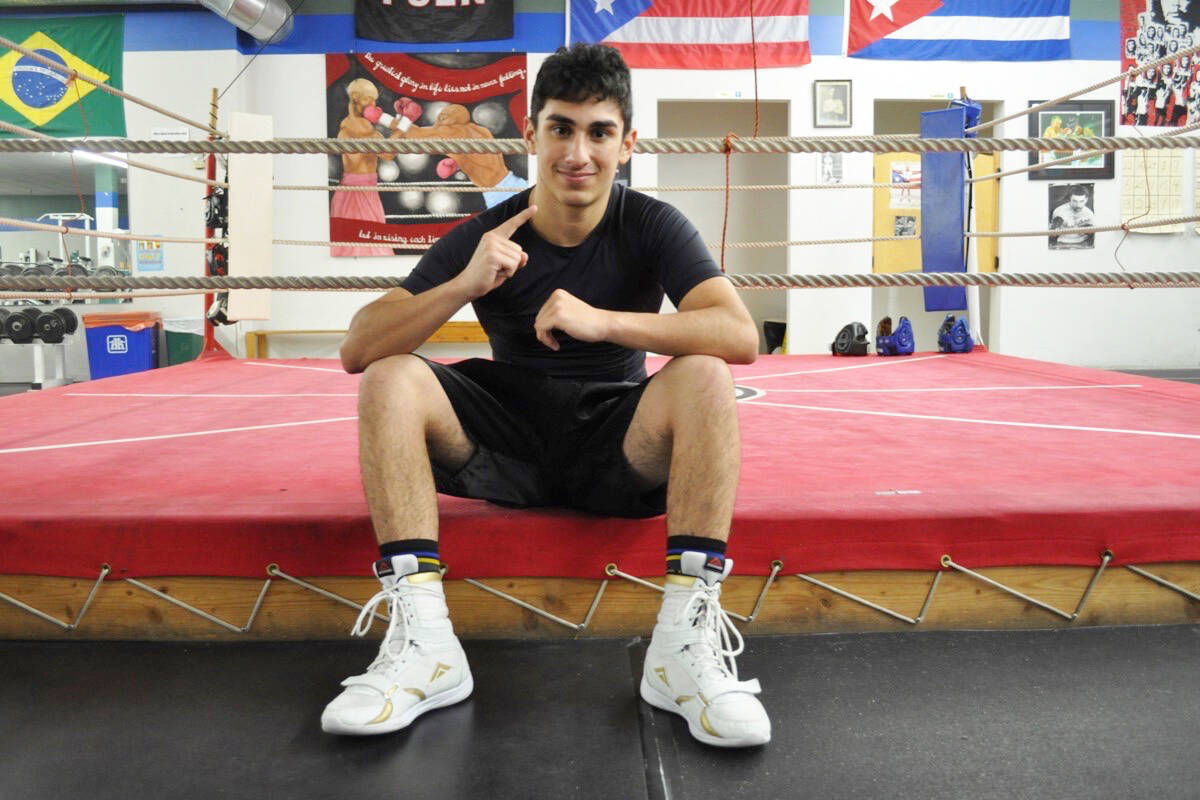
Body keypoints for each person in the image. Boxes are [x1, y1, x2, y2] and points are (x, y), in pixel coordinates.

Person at [323, 44, 770, 748]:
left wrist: (604, 321)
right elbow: (358, 346)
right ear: (531, 136)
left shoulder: (651, 224)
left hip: (615, 442)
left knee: (708, 374)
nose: (578, 152)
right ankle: (427, 646)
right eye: (561, 128)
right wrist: (464, 285)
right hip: (506, 438)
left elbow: (739, 334)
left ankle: (682, 652)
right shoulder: (489, 231)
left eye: (598, 132)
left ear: (627, 144)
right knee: (390, 374)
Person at [330, 78, 420, 257]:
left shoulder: (371, 129)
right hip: (352, 193)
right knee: (352, 245)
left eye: (374, 100)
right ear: (355, 98)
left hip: (370, 191)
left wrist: (403, 123)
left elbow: (388, 154)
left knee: (375, 242)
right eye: (368, 99)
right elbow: (355, 161)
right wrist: (371, 142)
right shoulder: (346, 130)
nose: (372, 104)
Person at [394, 101, 530, 208]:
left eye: (443, 116)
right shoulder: (480, 131)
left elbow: (414, 135)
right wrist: (456, 165)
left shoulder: (450, 133)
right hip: (515, 183)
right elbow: (479, 159)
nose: (438, 121)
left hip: (499, 193)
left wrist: (402, 117)